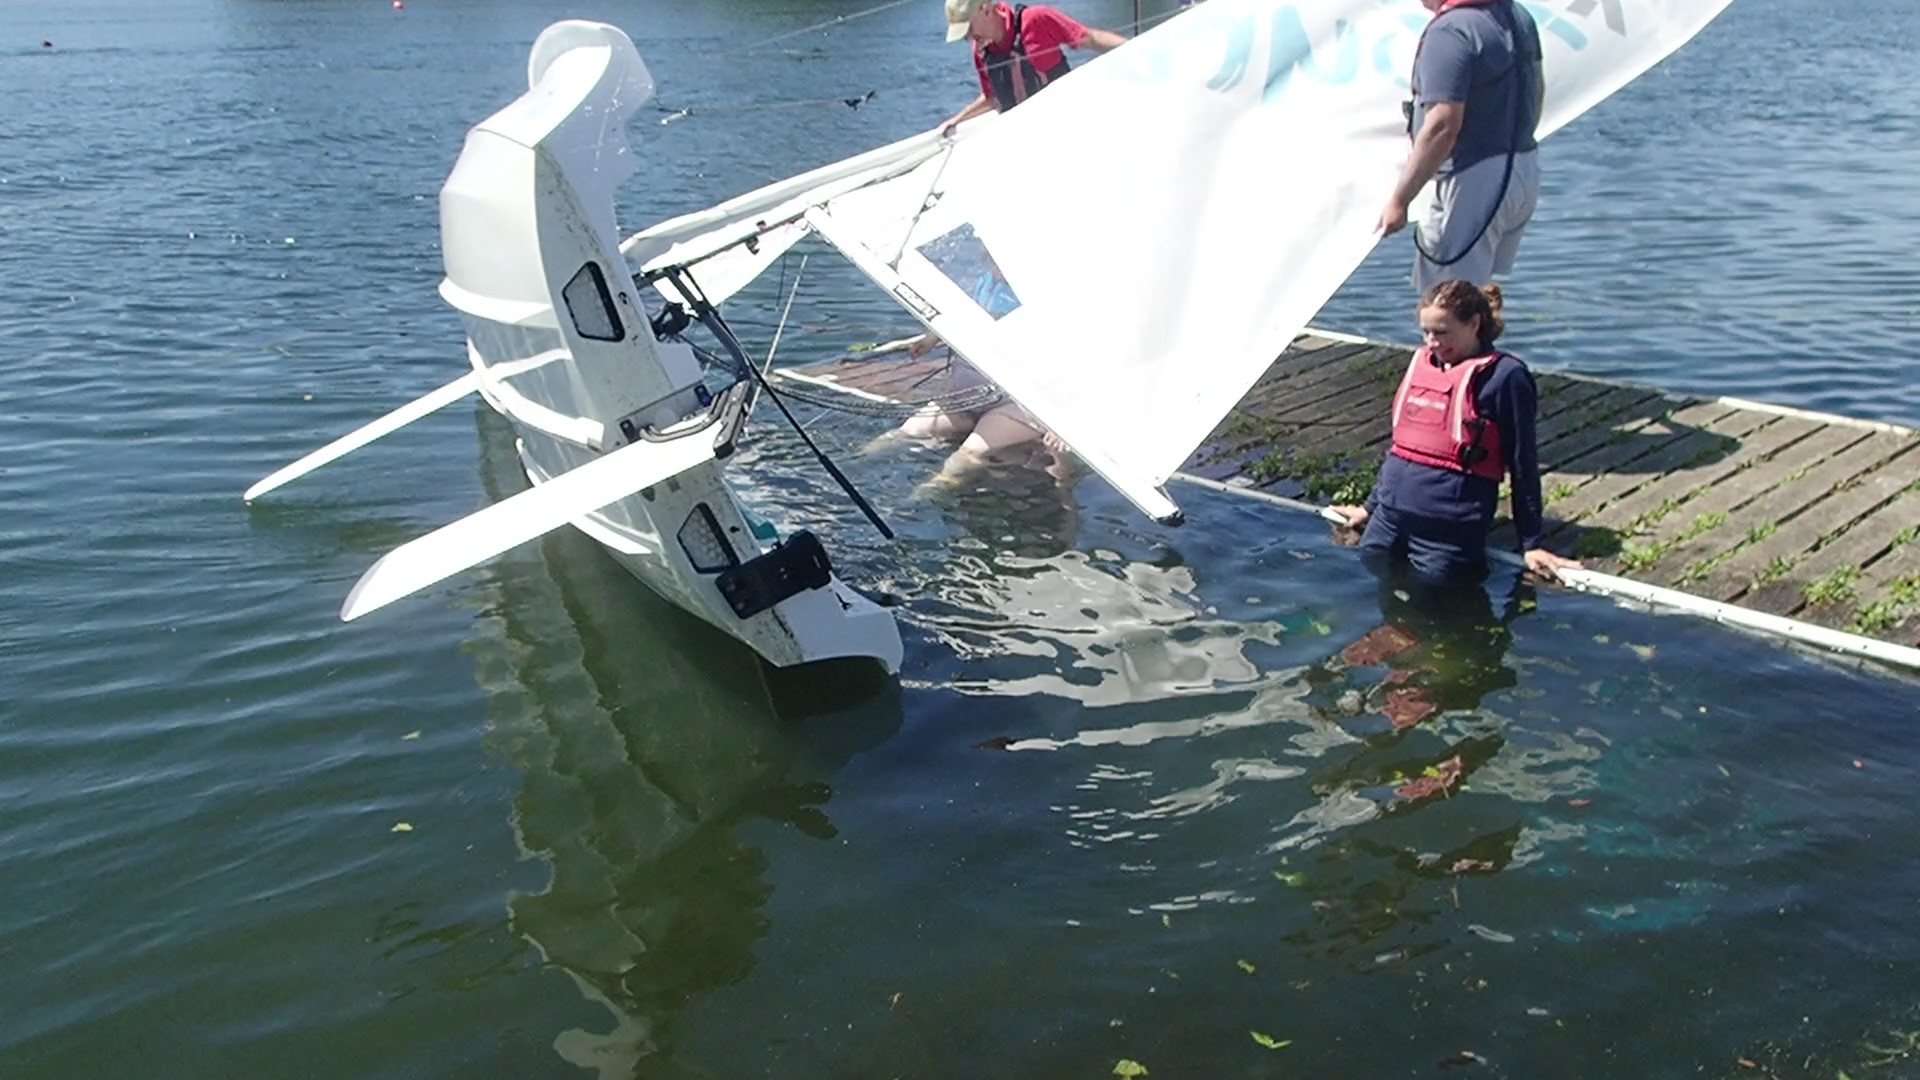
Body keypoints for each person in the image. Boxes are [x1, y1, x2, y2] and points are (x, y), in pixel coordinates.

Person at [1328, 279, 1581, 584]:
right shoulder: (1422, 364)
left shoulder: (1505, 377)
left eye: (1442, 332)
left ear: (1474, 324)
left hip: (1445, 532)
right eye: (1426, 332)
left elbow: (1522, 462)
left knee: (1429, 604)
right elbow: (1404, 448)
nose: (1432, 342)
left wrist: (1531, 543)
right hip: (1389, 520)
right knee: (1374, 583)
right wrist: (1370, 508)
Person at [1376, 0, 1545, 293]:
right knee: (1474, 294)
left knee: (1446, 297)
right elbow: (1537, 91)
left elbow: (1442, 125)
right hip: (1522, 167)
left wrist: (1400, 201)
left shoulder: (1451, 31)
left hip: (1472, 179)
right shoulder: (1518, 16)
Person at [938, 0, 1127, 136]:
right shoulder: (981, 52)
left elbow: (1090, 38)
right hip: (1025, 141)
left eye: (969, 29)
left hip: (1068, 128)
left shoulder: (1037, 19)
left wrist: (1139, 48)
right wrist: (958, 119)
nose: (969, 37)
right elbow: (992, 98)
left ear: (986, 10)